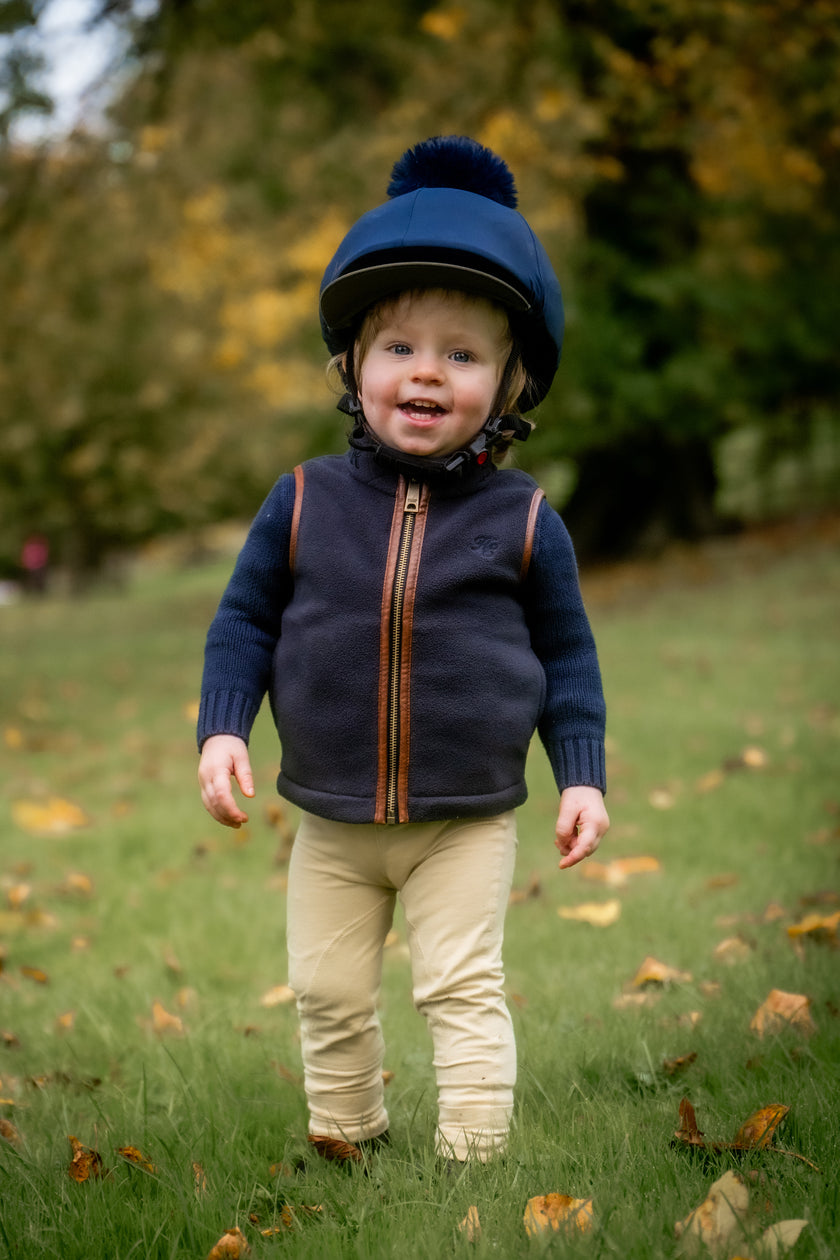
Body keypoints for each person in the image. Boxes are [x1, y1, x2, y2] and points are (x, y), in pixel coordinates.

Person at [197, 135, 609, 1167]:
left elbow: (569, 659)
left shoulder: (523, 520)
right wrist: (221, 729)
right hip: (331, 818)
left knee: (457, 984)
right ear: (353, 366)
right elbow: (244, 620)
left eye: (463, 355)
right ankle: (349, 1142)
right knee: (327, 988)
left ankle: (472, 1160)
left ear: (510, 384)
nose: (427, 371)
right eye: (400, 349)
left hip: (463, 821)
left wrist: (582, 778)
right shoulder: (301, 501)